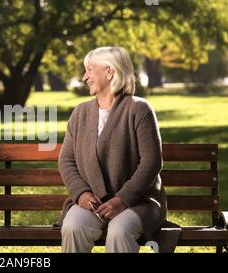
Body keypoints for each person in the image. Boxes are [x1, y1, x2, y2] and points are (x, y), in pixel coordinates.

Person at [57, 46, 166, 253]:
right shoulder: (80, 113)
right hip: (92, 203)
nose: (84, 77)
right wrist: (81, 194)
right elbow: (67, 160)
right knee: (73, 226)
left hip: (137, 202)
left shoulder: (139, 109)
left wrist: (123, 199)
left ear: (109, 71)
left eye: (89, 70)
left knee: (119, 230)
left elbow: (151, 162)